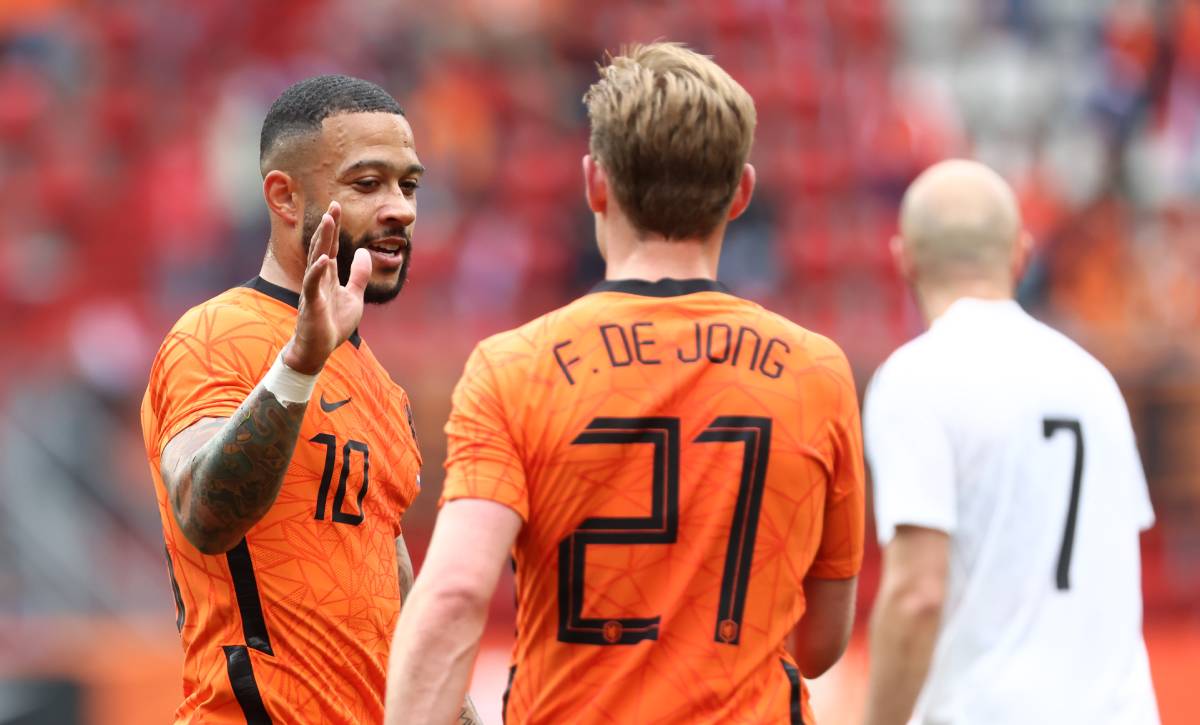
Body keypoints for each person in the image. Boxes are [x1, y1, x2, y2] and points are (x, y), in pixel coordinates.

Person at [385, 42, 865, 725]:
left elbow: (455, 595)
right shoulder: (815, 369)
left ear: (594, 182)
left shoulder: (514, 365)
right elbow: (821, 643)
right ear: (741, 194)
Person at [141, 75, 478, 724]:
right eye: (366, 183)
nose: (401, 209)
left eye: (409, 185)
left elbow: (395, 609)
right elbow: (205, 513)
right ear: (285, 196)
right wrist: (298, 367)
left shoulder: (383, 388)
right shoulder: (216, 333)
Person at [861, 159, 1159, 724]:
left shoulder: (915, 378)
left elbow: (917, 593)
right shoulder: (1093, 379)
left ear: (905, 259)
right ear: (1021, 254)